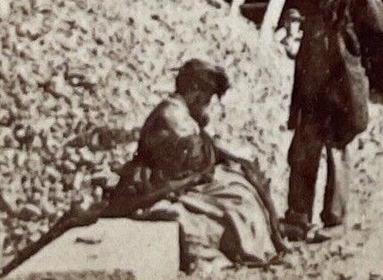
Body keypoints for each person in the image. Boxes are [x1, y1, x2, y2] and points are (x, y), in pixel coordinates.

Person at [283, 0, 383, 243]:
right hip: (312, 90)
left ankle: (333, 222)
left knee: (337, 154)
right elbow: (301, 21)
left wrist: (358, 69)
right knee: (302, 152)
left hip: (341, 93)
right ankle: (296, 218)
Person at [109, 58, 283, 270]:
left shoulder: (180, 112)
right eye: (206, 98)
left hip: (176, 177)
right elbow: (191, 162)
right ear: (194, 90)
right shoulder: (173, 115)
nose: (206, 105)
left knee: (240, 182)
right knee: (237, 198)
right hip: (162, 182)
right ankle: (246, 248)